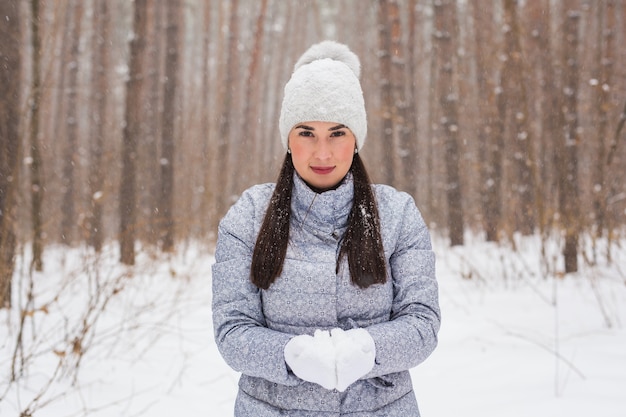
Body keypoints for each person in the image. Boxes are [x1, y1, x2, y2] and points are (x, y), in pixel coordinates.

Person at [212, 40, 440, 416]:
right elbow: (232, 331)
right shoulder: (249, 216)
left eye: (337, 133)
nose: (322, 152)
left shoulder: (397, 214)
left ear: (356, 139)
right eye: (306, 133)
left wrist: (369, 349)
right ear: (288, 138)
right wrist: (290, 355)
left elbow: (422, 323)